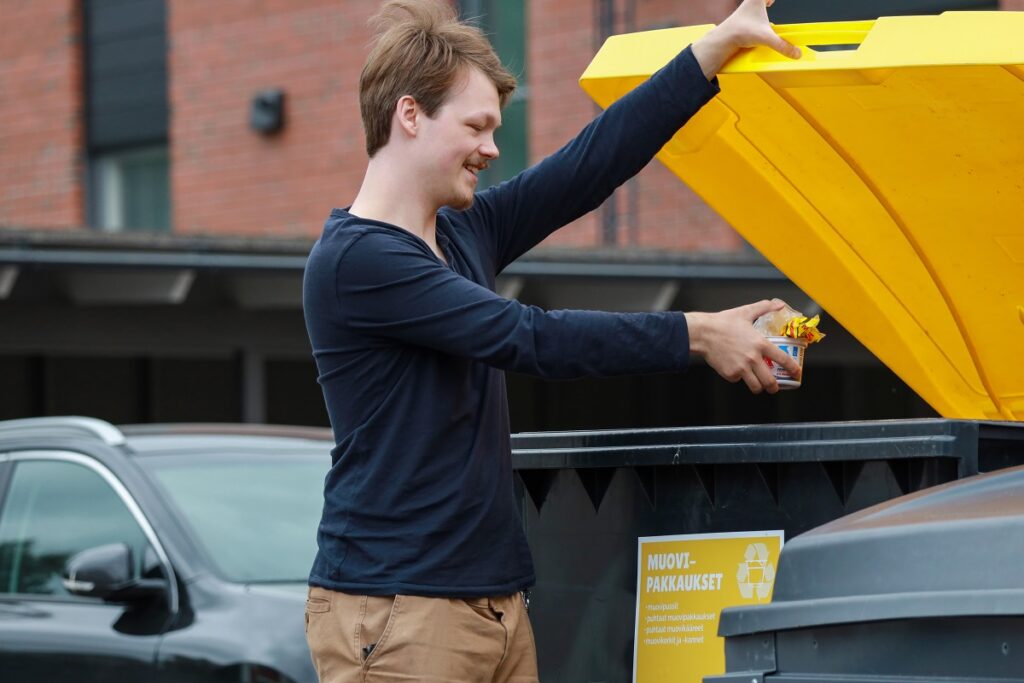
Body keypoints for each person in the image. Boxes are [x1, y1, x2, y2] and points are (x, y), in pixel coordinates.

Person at [301, 0, 801, 680]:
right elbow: (527, 337)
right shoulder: (359, 263)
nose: (492, 148)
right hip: (399, 610)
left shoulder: (461, 234)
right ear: (410, 115)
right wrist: (698, 333)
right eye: (477, 126)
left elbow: (588, 166)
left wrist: (715, 49)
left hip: (493, 603)